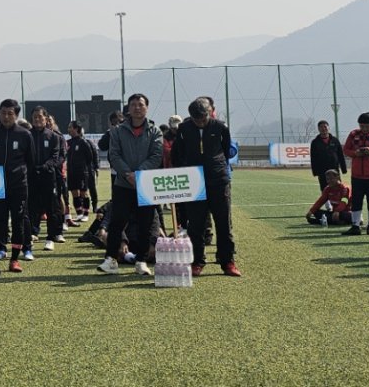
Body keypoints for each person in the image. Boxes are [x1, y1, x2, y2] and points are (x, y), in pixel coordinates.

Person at [173, 98, 240, 276]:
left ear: (209, 113)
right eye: (197, 119)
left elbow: (226, 149)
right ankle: (197, 262)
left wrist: (217, 165)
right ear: (191, 117)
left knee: (224, 223)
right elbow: (178, 153)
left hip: (218, 180)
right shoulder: (184, 129)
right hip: (194, 181)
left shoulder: (220, 127)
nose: (201, 122)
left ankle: (227, 262)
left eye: (204, 118)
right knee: (196, 225)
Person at [98, 94, 163, 274]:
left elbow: (156, 156)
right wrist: (128, 174)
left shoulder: (155, 131)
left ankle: (141, 261)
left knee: (145, 224)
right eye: (133, 104)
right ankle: (110, 260)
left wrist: (138, 175)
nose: (137, 108)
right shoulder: (118, 131)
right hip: (123, 184)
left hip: (146, 185)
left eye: (140, 104)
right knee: (117, 222)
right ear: (128, 108)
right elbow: (114, 155)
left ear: (146, 108)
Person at [0, 99, 36, 273]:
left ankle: (14, 259)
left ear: (16, 115)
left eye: (10, 114)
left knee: (18, 222)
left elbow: (31, 161)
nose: (6, 117)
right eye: (3, 113)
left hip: (18, 186)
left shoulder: (25, 135)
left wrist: (21, 176)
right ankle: (0, 249)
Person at [28, 107, 65, 255]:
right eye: (34, 117)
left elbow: (55, 157)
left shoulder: (53, 136)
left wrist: (44, 167)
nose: (37, 119)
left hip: (48, 176)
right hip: (31, 176)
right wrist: (32, 167)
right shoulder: (27, 135)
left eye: (40, 117)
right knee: (32, 206)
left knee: (51, 208)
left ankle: (50, 237)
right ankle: (32, 233)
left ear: (45, 118)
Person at [342, 113, 369, 236]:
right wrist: (355, 153)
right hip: (357, 174)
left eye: (367, 126)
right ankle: (355, 226)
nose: (364, 129)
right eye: (362, 126)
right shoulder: (353, 134)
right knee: (356, 200)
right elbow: (346, 150)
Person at [66, 120, 99, 222]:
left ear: (76, 129)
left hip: (82, 172)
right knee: (74, 193)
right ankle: (79, 214)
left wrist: (83, 167)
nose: (68, 129)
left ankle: (86, 214)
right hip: (71, 172)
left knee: (83, 193)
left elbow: (90, 157)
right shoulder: (68, 142)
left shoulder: (83, 142)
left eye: (70, 127)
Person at [308, 120, 346, 185]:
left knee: (337, 188)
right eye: (321, 127)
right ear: (318, 129)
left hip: (334, 169)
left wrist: (343, 169)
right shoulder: (315, 142)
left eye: (325, 127)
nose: (323, 129)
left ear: (328, 128)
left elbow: (340, 155)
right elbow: (313, 157)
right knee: (325, 188)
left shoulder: (335, 140)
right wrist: (315, 172)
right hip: (322, 170)